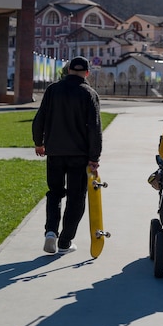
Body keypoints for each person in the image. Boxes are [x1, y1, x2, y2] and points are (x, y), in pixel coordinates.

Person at [32, 56, 102, 255]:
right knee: (76, 197)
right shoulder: (89, 93)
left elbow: (40, 119)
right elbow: (94, 129)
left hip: (54, 152)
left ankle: (51, 232)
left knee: (54, 193)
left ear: (68, 70)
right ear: (87, 73)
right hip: (79, 155)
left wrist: (39, 142)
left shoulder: (52, 90)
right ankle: (65, 241)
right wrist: (94, 157)